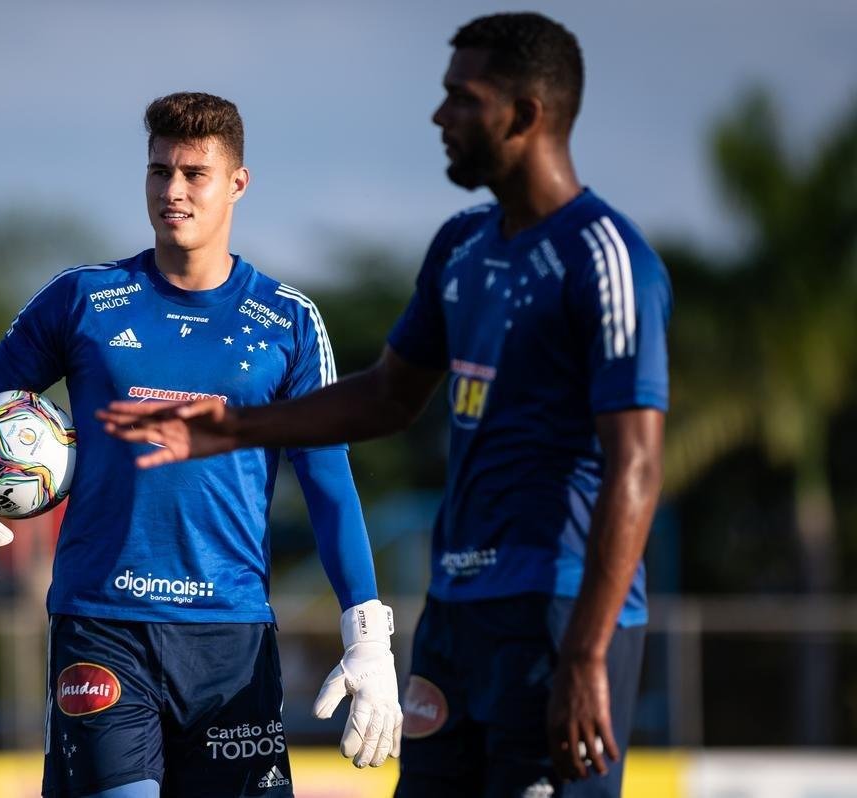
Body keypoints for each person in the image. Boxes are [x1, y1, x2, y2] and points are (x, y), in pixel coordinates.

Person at [99, 14, 670, 798]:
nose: (440, 117)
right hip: (457, 613)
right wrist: (233, 427)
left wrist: (586, 655)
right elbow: (388, 396)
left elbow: (637, 467)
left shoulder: (605, 258)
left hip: (560, 614)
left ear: (527, 114)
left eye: (461, 100)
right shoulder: (461, 246)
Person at [0, 92, 401, 798]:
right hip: (104, 628)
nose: (173, 191)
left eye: (194, 173)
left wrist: (367, 633)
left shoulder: (287, 321)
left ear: (237, 184)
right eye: (158, 171)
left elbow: (326, 480)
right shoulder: (82, 299)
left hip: (232, 641)